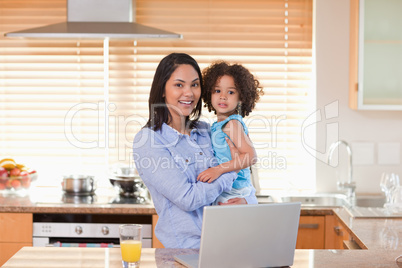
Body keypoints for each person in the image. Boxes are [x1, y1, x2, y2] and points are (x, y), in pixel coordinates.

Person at [132, 53, 257, 249]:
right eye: (179, 85)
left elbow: (246, 179)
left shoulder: (207, 130)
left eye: (195, 84)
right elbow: (188, 199)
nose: (189, 93)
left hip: (230, 245)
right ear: (162, 89)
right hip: (187, 252)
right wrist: (228, 172)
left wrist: (247, 202)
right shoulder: (149, 140)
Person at [197, 61, 263, 205]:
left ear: (241, 98)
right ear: (209, 93)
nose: (223, 96)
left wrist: (217, 170)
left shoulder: (231, 124)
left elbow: (251, 156)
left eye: (231, 92)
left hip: (235, 191)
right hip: (229, 189)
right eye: (217, 90)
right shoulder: (219, 125)